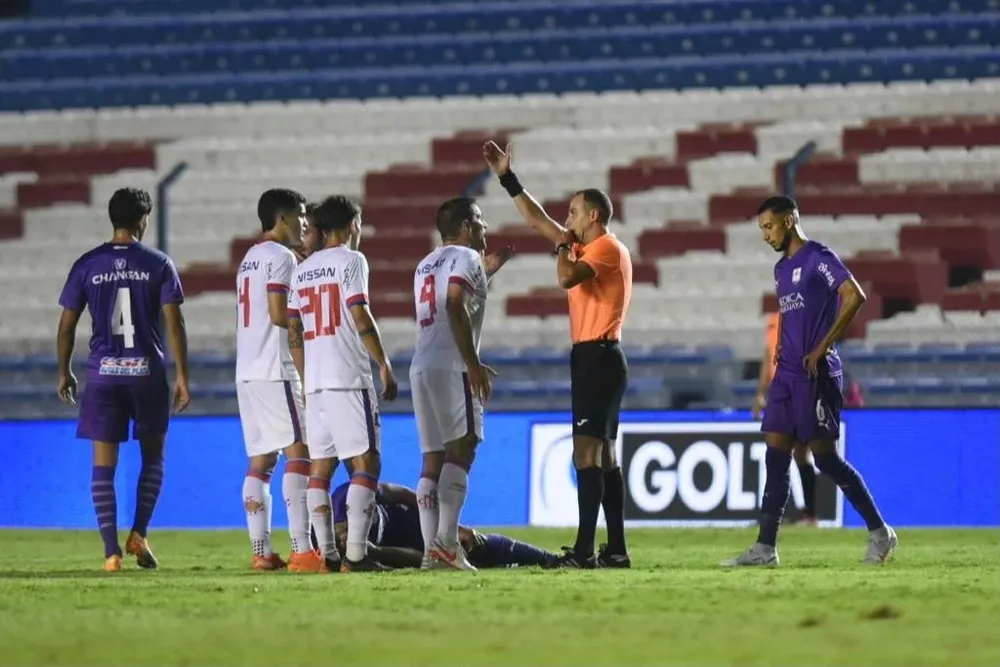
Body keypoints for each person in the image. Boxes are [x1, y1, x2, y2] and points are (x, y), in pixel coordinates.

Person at [723, 195, 898, 567]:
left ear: (789, 220)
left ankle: (880, 532)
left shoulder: (819, 256)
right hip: (786, 374)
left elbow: (854, 296)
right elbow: (788, 315)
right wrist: (779, 354)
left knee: (825, 458)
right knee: (775, 455)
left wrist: (822, 346)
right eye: (761, 229)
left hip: (815, 372)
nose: (765, 235)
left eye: (769, 226)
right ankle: (765, 548)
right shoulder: (781, 269)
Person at [483, 140, 633, 569]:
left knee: (585, 454)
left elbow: (566, 277)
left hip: (599, 357)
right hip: (595, 358)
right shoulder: (586, 245)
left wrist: (563, 247)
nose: (565, 219)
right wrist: (507, 177)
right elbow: (536, 218)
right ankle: (616, 550)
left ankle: (586, 551)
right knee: (603, 456)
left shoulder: (605, 248)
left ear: (593, 216)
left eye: (572, 212)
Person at [55, 187, 190, 572]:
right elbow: (174, 322)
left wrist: (64, 370)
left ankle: (111, 553)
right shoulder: (159, 263)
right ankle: (139, 532)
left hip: (103, 376)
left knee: (103, 465)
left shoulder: (88, 264)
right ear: (142, 219)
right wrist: (182, 374)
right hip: (147, 374)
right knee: (153, 458)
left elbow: (66, 326)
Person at [287, 194, 398, 573]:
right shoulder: (352, 261)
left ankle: (328, 557)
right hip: (348, 377)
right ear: (351, 225)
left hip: (315, 381)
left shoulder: (300, 270)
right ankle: (356, 556)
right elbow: (359, 312)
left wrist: (305, 378)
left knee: (320, 468)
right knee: (367, 462)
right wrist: (382, 362)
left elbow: (293, 329)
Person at [409, 197, 514, 570]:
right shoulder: (467, 258)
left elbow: (444, 302)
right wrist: (472, 363)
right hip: (452, 365)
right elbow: (453, 304)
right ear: (467, 227)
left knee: (432, 461)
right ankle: (447, 544)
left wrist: (485, 275)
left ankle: (430, 552)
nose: (486, 227)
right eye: (481, 220)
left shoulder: (425, 264)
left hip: (421, 363)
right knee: (464, 448)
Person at [234, 189, 317, 571]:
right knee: (301, 453)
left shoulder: (250, 258)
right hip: (274, 368)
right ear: (281, 219)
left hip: (247, 371)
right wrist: (312, 320)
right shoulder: (281, 257)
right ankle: (302, 550)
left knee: (262, 461)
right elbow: (278, 313)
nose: (305, 222)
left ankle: (261, 552)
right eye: (300, 215)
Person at [323, 481, 560, 569]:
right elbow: (419, 560)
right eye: (341, 542)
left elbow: (405, 494)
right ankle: (510, 563)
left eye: (344, 534)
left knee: (475, 544)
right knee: (462, 563)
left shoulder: (350, 495)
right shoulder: (357, 554)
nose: (345, 540)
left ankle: (552, 559)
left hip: (420, 523)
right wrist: (375, 552)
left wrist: (451, 527)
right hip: (408, 548)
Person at [753, 312, 819, 525]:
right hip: (780, 392)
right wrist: (761, 392)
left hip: (799, 392)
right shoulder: (774, 322)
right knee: (786, 454)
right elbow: (768, 358)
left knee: (797, 453)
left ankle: (804, 513)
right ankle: (796, 513)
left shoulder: (803, 319)